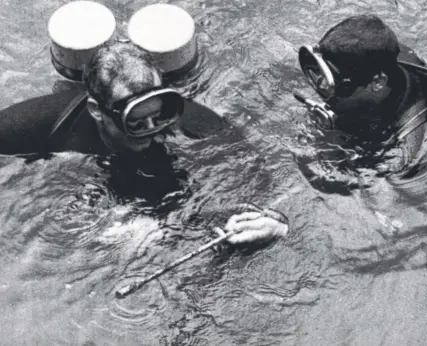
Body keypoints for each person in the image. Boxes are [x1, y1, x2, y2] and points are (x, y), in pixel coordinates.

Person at [0, 40, 288, 244]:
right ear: (96, 110)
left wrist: (274, 222)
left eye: (158, 114)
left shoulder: (194, 124)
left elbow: (258, 178)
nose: (152, 131)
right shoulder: (43, 122)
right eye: (135, 123)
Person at [294, 14, 427, 189]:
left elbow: (366, 183)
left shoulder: (408, 151)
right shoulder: (375, 54)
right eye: (319, 72)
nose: (320, 85)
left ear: (377, 82)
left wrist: (329, 142)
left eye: (333, 83)